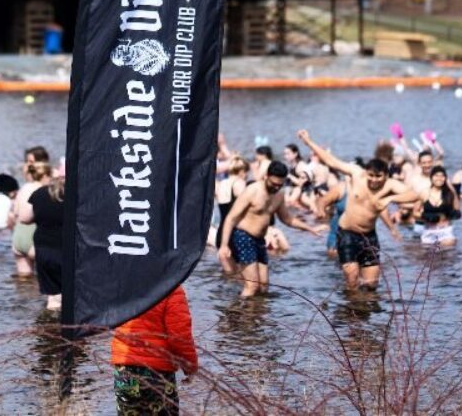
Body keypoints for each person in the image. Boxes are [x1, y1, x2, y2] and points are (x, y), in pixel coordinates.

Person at [298, 130, 418, 289]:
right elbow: (331, 161)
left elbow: (414, 194)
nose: (374, 180)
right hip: (347, 234)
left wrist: (391, 198)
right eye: (371, 175)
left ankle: (364, 311)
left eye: (378, 177)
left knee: (371, 285)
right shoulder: (357, 174)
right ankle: (349, 312)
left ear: (385, 176)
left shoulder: (390, 185)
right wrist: (308, 141)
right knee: (353, 281)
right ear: (366, 172)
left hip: (369, 236)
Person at [217, 161, 322, 298]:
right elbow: (231, 217)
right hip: (243, 236)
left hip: (260, 240)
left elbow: (287, 219)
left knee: (264, 286)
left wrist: (309, 228)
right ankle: (239, 316)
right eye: (274, 184)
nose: (276, 187)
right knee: (252, 285)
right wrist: (224, 245)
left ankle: (257, 316)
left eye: (280, 184)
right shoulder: (252, 190)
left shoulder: (279, 195)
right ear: (267, 176)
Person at [111, 285, 198, 416]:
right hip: (157, 371)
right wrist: (189, 367)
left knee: (128, 411)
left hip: (124, 368)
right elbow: (179, 336)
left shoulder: (123, 284)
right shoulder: (171, 287)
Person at [18, 172, 65, 310]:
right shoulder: (79, 194)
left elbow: (24, 218)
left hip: (44, 250)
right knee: (72, 294)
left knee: (53, 297)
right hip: (69, 251)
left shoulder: (40, 193)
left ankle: (49, 327)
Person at [10, 163, 51, 278]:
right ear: (45, 176)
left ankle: (20, 296)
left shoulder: (23, 188)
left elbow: (16, 212)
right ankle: (35, 297)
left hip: (18, 235)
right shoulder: (44, 190)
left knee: (24, 278)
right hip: (33, 235)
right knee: (42, 281)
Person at [419, 165, 458, 247]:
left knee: (447, 249)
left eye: (442, 176)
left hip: (445, 231)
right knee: (427, 256)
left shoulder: (449, 194)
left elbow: (457, 210)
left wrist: (452, 189)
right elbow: (415, 212)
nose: (439, 178)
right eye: (436, 175)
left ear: (445, 178)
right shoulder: (424, 193)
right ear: (431, 177)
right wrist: (426, 216)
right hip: (429, 231)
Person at [214, 156, 248, 250]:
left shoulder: (220, 184)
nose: (246, 175)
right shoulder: (239, 183)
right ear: (241, 171)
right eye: (246, 172)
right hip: (236, 233)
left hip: (221, 233)